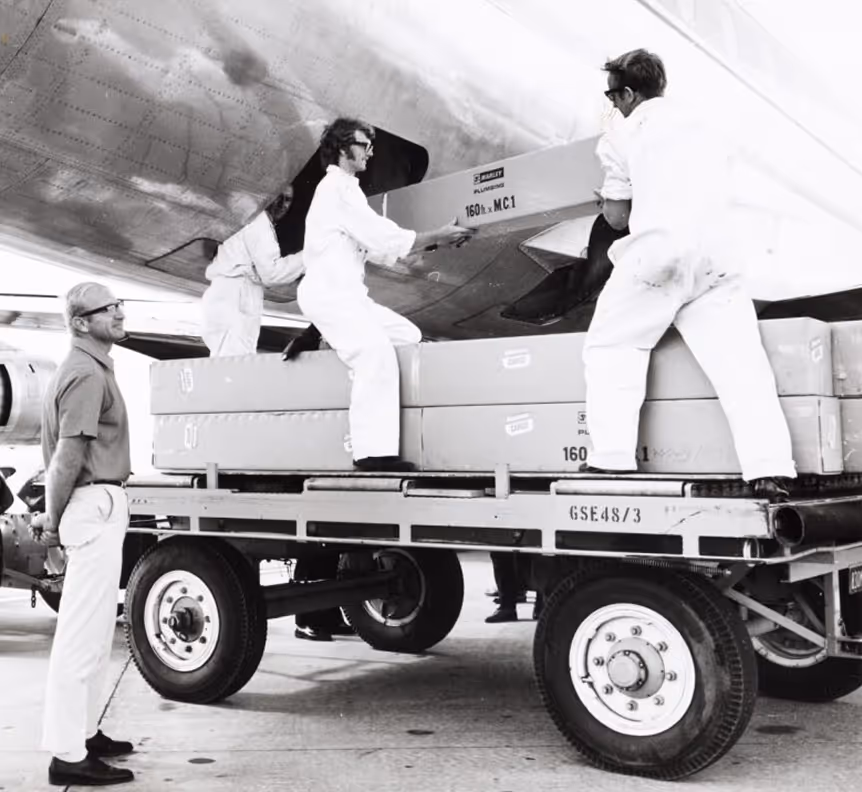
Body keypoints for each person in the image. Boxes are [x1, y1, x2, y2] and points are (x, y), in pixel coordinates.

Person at [581, 49, 796, 501]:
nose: (613, 104)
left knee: (612, 344)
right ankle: (770, 469)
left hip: (659, 256)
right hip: (717, 259)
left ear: (629, 92)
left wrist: (606, 200)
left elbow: (618, 219)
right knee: (742, 368)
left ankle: (611, 459)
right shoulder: (705, 125)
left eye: (613, 95)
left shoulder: (620, 133)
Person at [298, 117, 475, 472]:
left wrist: (434, 243)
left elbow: (377, 249)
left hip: (349, 298)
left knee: (406, 336)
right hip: (331, 296)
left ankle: (339, 354)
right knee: (374, 355)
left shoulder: (348, 190)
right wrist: (436, 235)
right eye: (364, 145)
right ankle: (371, 454)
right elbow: (381, 237)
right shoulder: (337, 188)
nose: (371, 152)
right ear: (343, 148)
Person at [31, 282, 135, 786]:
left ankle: (86, 732)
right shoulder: (84, 373)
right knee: (80, 637)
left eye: (118, 304)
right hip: (90, 506)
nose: (118, 312)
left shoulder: (90, 369)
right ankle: (67, 756)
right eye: (106, 308)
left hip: (98, 504)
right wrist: (51, 528)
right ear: (80, 322)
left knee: (95, 635)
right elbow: (66, 459)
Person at [201, 187, 305, 356]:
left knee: (226, 364)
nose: (282, 205)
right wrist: (308, 256)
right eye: (279, 197)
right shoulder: (259, 222)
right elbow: (272, 274)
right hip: (238, 296)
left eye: (288, 200)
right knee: (235, 365)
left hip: (227, 295)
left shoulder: (246, 217)